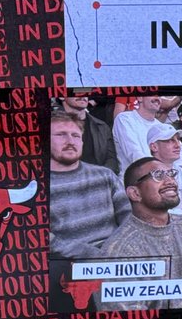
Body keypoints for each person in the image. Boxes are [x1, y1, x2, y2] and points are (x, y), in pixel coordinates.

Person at [95, 157, 182, 311]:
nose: (170, 181)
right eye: (158, 175)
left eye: (171, 174)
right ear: (135, 193)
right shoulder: (119, 251)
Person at [47, 111, 131, 260]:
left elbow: (129, 216)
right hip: (66, 262)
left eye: (76, 136)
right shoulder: (34, 186)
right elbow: (41, 237)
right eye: (61, 135)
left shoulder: (105, 175)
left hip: (115, 256)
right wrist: (89, 254)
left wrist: (116, 249)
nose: (70, 141)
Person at [58, 96, 117, 172]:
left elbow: (112, 160)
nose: (82, 95)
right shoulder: (51, 126)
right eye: (75, 90)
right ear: (61, 97)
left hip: (99, 180)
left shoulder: (102, 126)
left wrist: (99, 177)